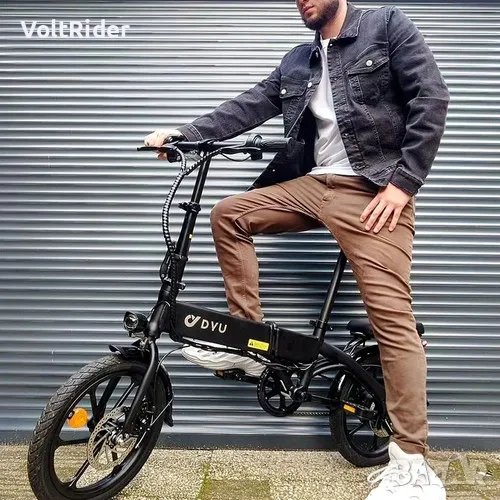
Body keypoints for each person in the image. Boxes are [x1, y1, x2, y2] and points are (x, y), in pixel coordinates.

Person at [144, 1, 450, 498]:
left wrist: (403, 185)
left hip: (372, 190)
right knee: (229, 214)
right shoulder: (298, 59)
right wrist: (186, 134)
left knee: (392, 319)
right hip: (313, 185)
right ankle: (247, 343)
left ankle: (413, 464)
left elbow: (430, 98)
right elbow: (249, 105)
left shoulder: (386, 26)